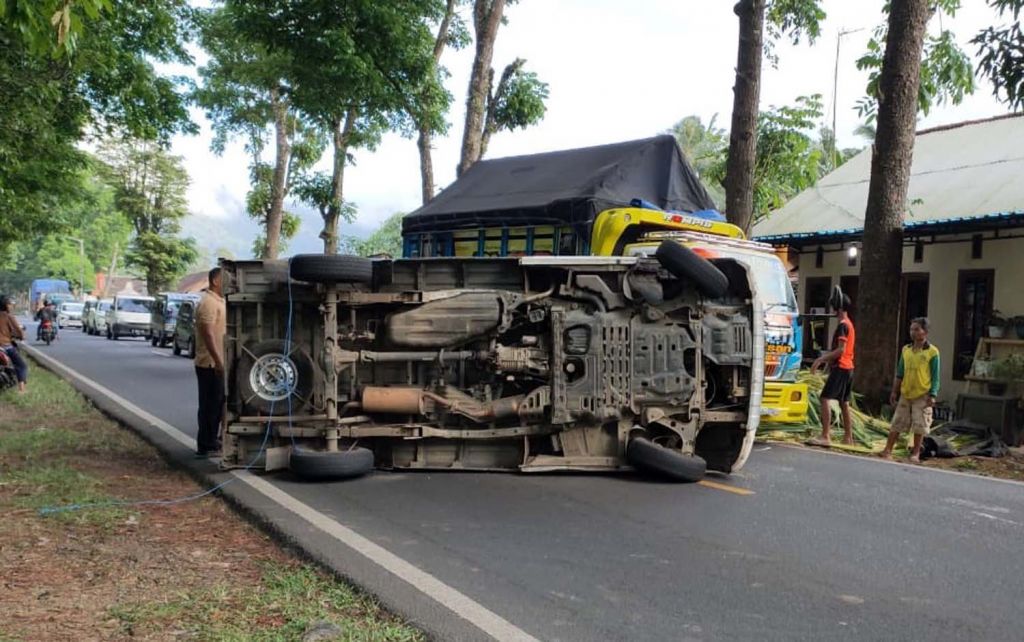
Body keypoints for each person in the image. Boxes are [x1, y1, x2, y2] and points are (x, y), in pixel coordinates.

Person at [880, 317, 940, 463]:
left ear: (925, 332)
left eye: (917, 329)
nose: (913, 332)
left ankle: (916, 453)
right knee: (898, 421)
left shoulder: (932, 352)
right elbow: (900, 372)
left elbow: (935, 376)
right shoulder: (906, 350)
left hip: (922, 393)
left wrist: (933, 394)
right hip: (906, 392)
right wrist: (895, 391)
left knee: (920, 425)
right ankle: (888, 449)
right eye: (911, 329)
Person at [807, 294, 856, 447]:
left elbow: (840, 350)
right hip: (848, 368)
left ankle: (825, 435)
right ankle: (848, 438)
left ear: (839, 308)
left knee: (824, 398)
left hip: (841, 367)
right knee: (844, 402)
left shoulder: (842, 325)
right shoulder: (849, 324)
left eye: (834, 307)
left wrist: (820, 360)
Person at [194, 267, 226, 458]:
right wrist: (218, 360)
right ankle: (206, 444)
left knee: (218, 404)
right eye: (225, 279)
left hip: (217, 362)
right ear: (215, 281)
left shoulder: (219, 302)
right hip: (209, 363)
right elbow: (208, 333)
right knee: (210, 406)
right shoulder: (208, 303)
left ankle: (213, 440)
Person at [0, 295, 28, 393]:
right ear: (5, 305)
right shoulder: (8, 316)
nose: (11, 306)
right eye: (9, 304)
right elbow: (18, 330)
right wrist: (22, 336)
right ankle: (22, 390)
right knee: (22, 366)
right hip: (5, 346)